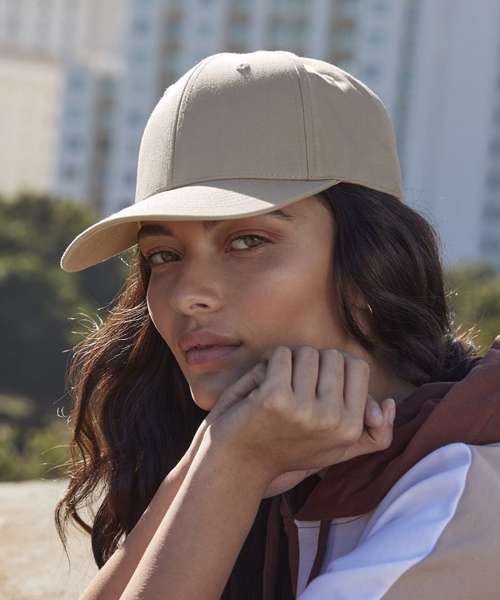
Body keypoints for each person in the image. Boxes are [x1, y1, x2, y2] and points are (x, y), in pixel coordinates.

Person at [55, 50, 500, 600]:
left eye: (247, 241)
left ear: (373, 262)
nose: (188, 294)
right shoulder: (274, 450)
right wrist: (211, 458)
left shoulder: (466, 500)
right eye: (163, 256)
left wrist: (234, 465)